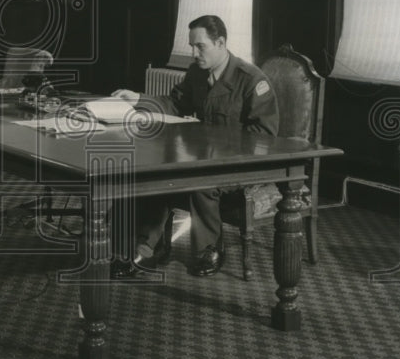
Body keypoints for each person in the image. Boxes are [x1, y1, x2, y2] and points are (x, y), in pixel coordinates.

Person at [110, 14, 278, 277]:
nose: (194, 52)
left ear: (221, 43)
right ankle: (146, 247)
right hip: (204, 157)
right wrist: (139, 99)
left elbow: (264, 136)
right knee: (157, 173)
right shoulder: (197, 73)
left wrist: (215, 143)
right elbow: (176, 103)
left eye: (201, 46)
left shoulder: (252, 81)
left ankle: (208, 250)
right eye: (192, 46)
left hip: (241, 164)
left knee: (202, 183)